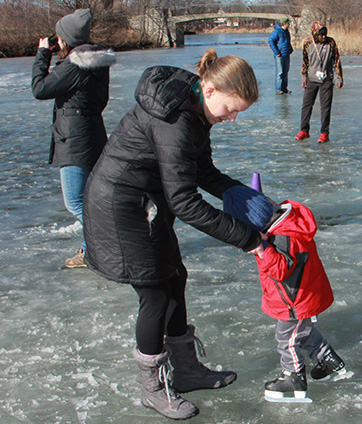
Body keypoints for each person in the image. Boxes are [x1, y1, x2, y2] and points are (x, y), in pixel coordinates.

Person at [82, 49, 264, 420]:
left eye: (238, 113)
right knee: (155, 294)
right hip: (120, 207)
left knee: (175, 277)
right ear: (210, 90)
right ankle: (154, 388)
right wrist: (247, 238)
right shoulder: (176, 120)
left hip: (145, 201)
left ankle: (186, 371)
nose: (231, 118)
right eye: (231, 109)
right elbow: (184, 200)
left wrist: (249, 198)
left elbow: (202, 170)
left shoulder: (197, 110)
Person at [223, 186, 346, 402]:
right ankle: (328, 359)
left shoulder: (282, 237)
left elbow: (281, 270)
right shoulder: (287, 223)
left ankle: (293, 377)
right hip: (303, 294)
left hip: (295, 300)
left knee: (286, 339)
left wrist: (262, 250)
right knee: (303, 332)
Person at [31, 8, 116, 268]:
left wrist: (43, 54)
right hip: (92, 133)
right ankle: (92, 248)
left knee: (76, 202)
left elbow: (40, 89)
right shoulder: (95, 61)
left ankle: (103, 246)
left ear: (66, 38)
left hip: (75, 139)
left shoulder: (75, 65)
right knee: (90, 198)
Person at [294, 22, 343, 144]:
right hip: (311, 79)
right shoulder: (308, 43)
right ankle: (304, 130)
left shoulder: (330, 43)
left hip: (326, 79)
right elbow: (304, 60)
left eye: (325, 34)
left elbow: (336, 60)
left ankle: (324, 133)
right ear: (315, 34)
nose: (323, 37)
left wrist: (339, 77)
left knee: (325, 107)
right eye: (321, 34)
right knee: (306, 105)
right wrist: (304, 76)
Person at [268, 17, 294, 95]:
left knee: (285, 72)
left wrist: (290, 49)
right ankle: (278, 89)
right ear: (284, 24)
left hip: (286, 54)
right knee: (280, 72)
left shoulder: (286, 32)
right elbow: (271, 41)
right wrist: (277, 52)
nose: (289, 25)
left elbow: (287, 42)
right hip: (280, 55)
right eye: (288, 23)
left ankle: (284, 88)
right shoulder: (277, 32)